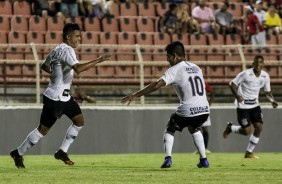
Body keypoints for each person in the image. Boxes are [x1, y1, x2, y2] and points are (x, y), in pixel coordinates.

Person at [10, 23, 111, 169]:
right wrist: (99, 60)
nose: (79, 39)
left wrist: (56, 75)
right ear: (68, 37)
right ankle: (18, 153)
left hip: (64, 97)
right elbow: (78, 69)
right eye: (77, 36)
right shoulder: (67, 50)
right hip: (55, 99)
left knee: (79, 121)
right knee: (42, 131)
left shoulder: (57, 49)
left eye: (80, 36)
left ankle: (62, 151)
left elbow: (44, 66)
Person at [121, 41, 210, 168]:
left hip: (188, 109)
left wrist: (135, 95)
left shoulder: (174, 69)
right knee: (194, 127)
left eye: (168, 56)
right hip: (204, 110)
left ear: (175, 55)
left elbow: (157, 85)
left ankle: (168, 158)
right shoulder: (197, 67)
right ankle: (204, 160)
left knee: (170, 127)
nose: (167, 59)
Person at [223, 55, 278, 159]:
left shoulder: (265, 76)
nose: (258, 65)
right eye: (256, 63)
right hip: (243, 107)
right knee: (246, 131)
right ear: (253, 64)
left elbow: (267, 92)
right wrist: (237, 96)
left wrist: (272, 101)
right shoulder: (245, 74)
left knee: (259, 127)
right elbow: (232, 84)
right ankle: (231, 128)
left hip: (255, 106)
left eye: (260, 63)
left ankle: (249, 152)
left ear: (263, 64)